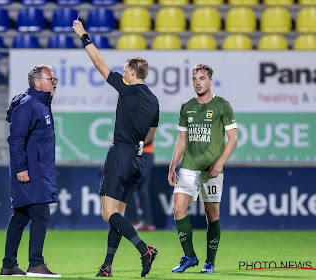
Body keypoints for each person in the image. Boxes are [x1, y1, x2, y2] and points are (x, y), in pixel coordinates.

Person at [73, 20, 160, 278]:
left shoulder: (128, 90)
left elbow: (99, 63)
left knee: (107, 214)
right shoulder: (154, 100)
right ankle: (107, 265)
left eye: (125, 70)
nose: (122, 74)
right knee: (119, 215)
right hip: (137, 157)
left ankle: (145, 250)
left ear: (133, 72)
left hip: (121, 153)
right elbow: (151, 134)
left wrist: (84, 36)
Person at [168, 64, 237, 274]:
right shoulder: (186, 107)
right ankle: (189, 256)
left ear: (210, 81)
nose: (198, 82)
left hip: (212, 169)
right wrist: (173, 165)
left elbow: (233, 139)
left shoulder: (222, 105)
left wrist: (220, 163)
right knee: (178, 209)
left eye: (202, 78)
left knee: (212, 214)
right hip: (189, 166)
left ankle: (210, 262)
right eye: (195, 79)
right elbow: (182, 140)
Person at [0, 65, 61, 278]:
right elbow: (15, 139)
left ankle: (9, 265)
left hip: (37, 168)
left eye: (54, 78)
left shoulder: (40, 103)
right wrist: (21, 168)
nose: (54, 82)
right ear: (37, 82)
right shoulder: (28, 105)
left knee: (21, 215)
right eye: (50, 78)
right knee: (40, 212)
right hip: (30, 170)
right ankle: (36, 264)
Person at [125, 142, 156, 232]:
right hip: (137, 153)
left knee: (131, 186)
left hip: (145, 154)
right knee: (142, 190)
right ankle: (148, 222)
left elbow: (149, 139)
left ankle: (136, 221)